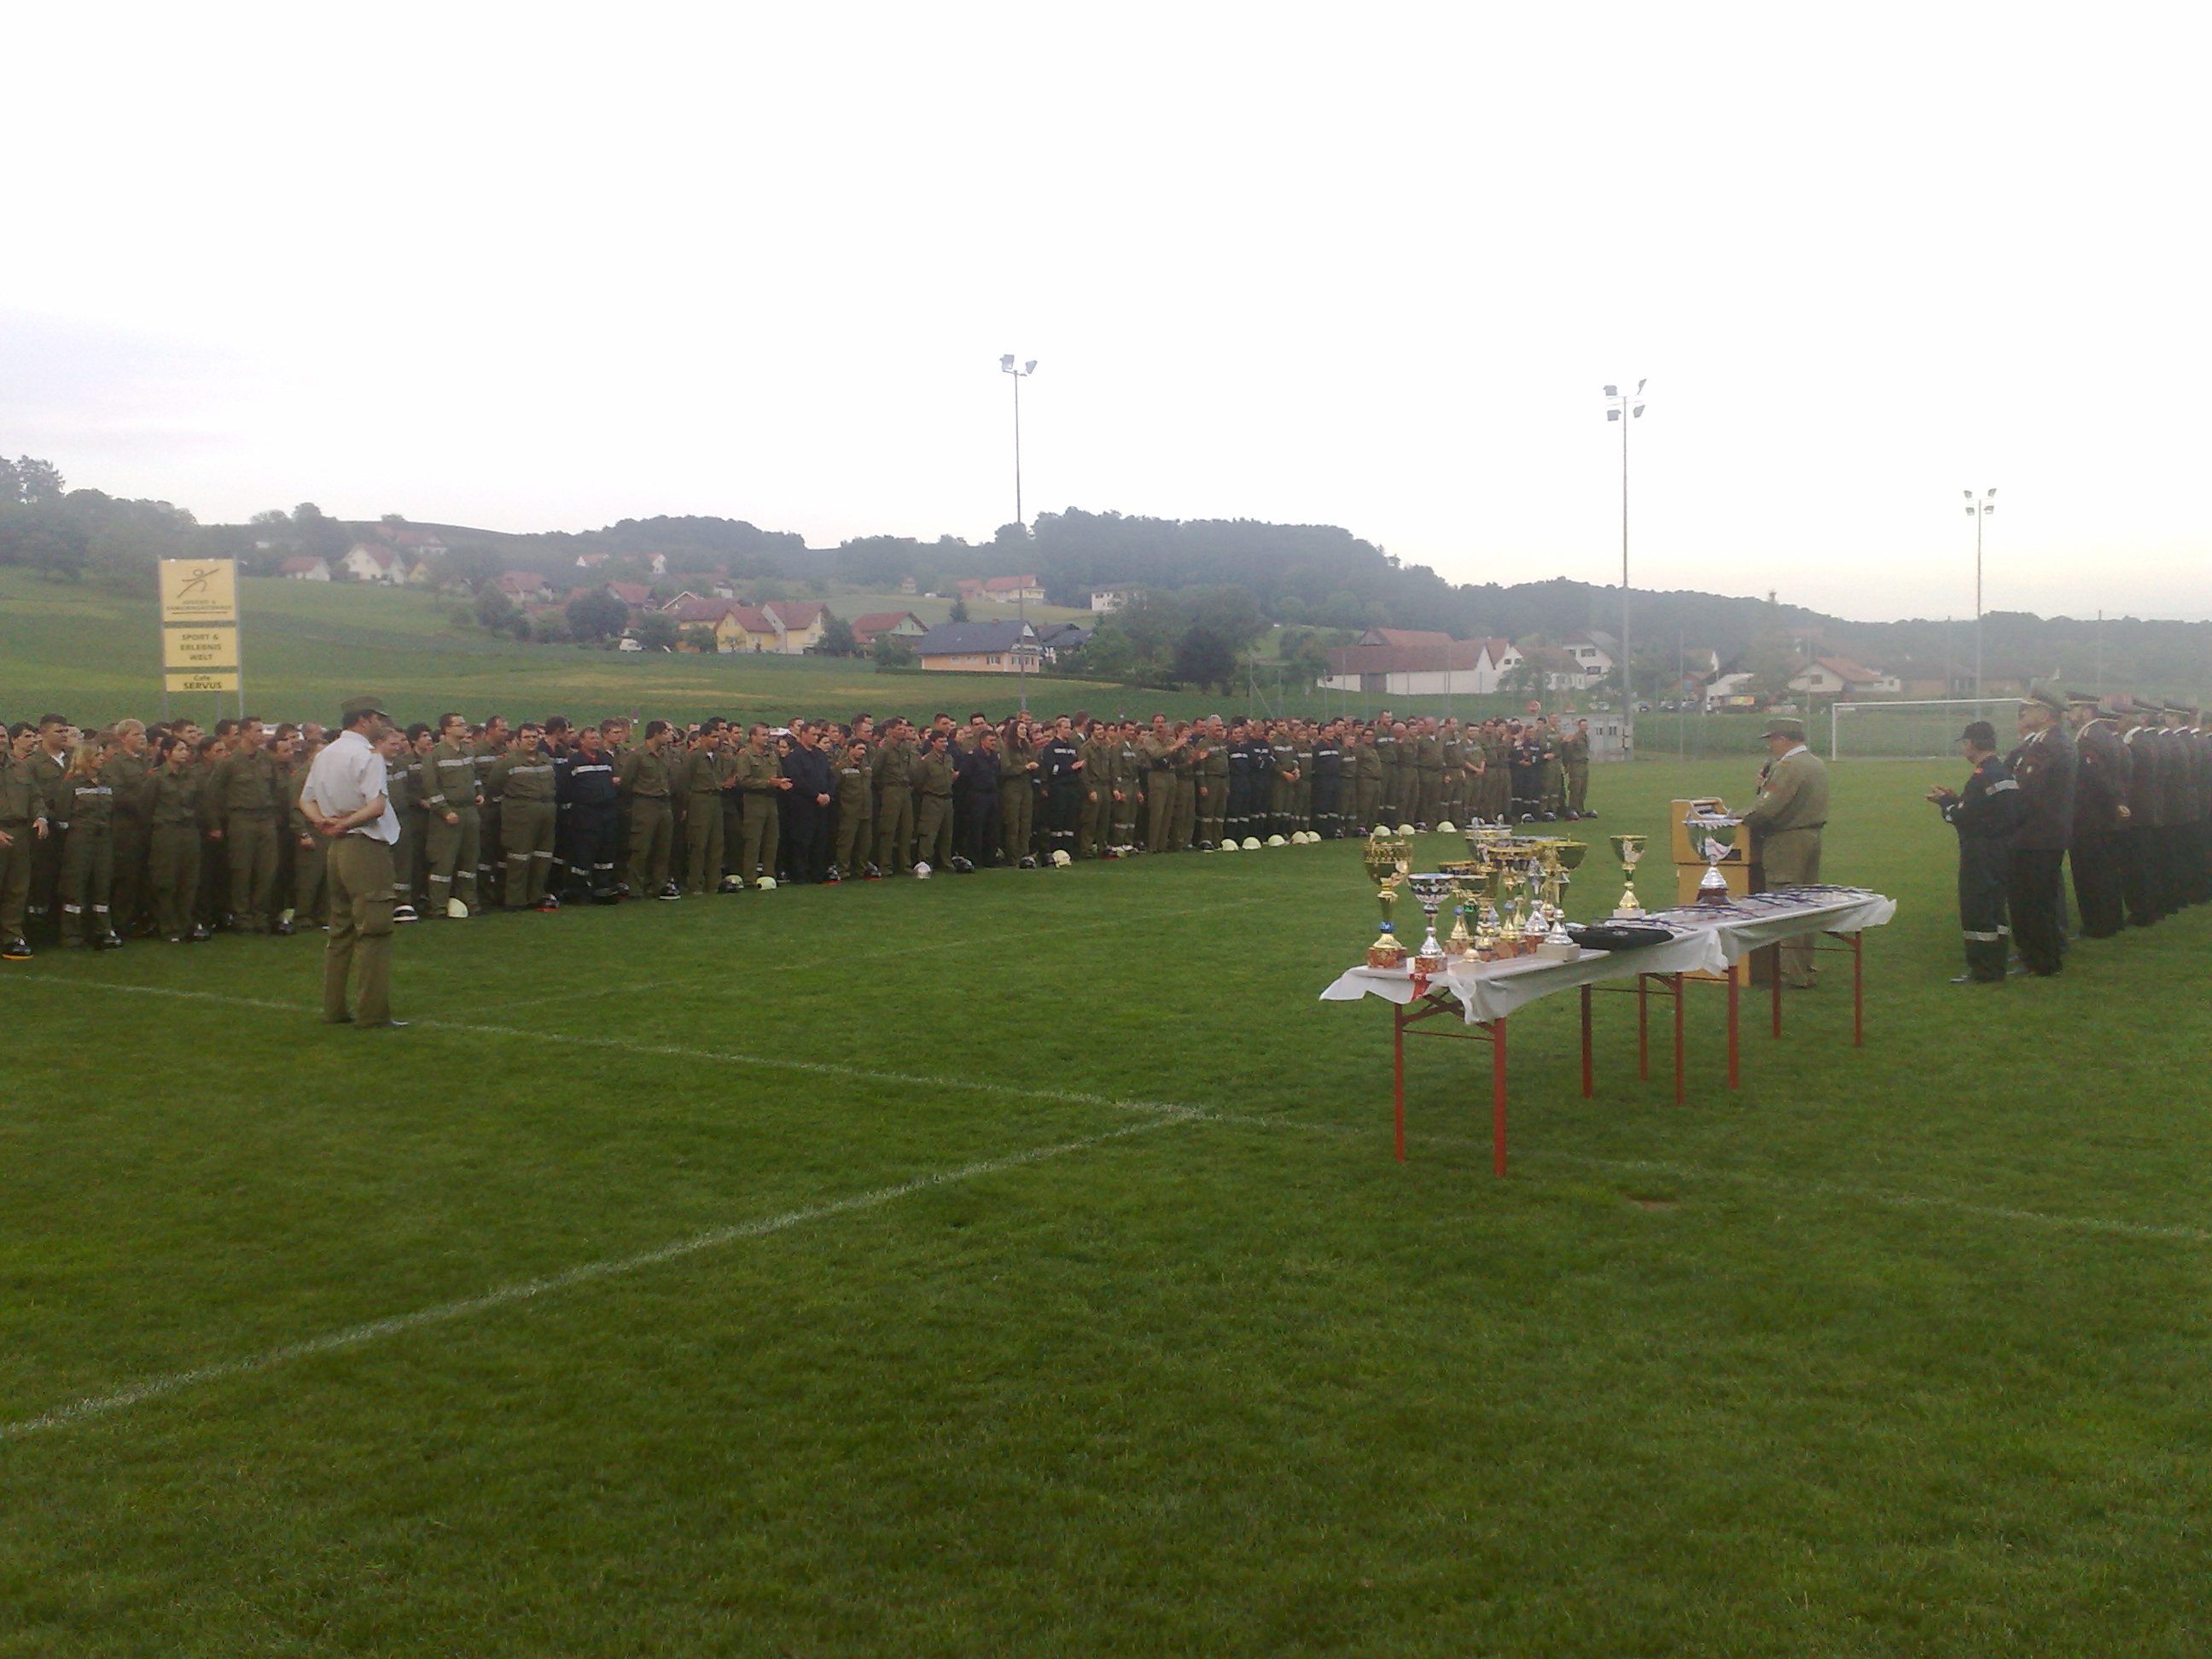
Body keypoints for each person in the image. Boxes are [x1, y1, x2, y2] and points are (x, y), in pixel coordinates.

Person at [300, 695, 405, 1028]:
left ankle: (334, 1009)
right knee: (374, 930)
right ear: (365, 720)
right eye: (379, 719)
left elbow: (305, 800)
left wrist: (323, 822)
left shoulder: (326, 754)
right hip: (365, 846)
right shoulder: (368, 756)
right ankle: (373, 1013)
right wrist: (344, 823)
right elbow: (376, 807)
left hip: (337, 848)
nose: (383, 725)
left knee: (341, 929)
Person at [1927, 720, 2023, 983]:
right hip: (2002, 848)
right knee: (1996, 908)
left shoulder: (1982, 776)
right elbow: (1992, 810)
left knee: (1977, 908)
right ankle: (1997, 963)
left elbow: (1964, 817)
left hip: (1980, 851)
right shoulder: (2003, 771)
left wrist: (1946, 803)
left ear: (1971, 744)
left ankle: (1983, 970)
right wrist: (1958, 800)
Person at [1739, 716, 1830, 989]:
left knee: (1785, 906)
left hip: (1786, 841)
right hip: (1810, 837)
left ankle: (1793, 975)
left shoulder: (1789, 766)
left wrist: (1736, 818)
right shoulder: (1815, 763)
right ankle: (1804, 966)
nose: (1770, 746)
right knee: (1805, 905)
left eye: (1772, 740)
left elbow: (1767, 809)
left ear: (1783, 738)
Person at [2005, 690, 2076, 976]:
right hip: (2037, 833)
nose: (2024, 713)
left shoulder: (2052, 746)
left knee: (2033, 900)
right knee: (2031, 898)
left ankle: (2041, 959)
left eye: (2030, 709)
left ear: (2045, 715)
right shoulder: (2043, 743)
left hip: (2039, 834)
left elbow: (2030, 793)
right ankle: (2034, 953)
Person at [2064, 691, 2129, 939]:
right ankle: (2112, 920)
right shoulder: (2104, 735)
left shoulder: (2089, 739)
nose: (2070, 715)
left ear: (2086, 710)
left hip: (2090, 818)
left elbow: (2096, 779)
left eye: (2073, 709)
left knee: (2090, 875)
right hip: (2104, 817)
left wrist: (2111, 801)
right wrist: (2118, 801)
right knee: (2106, 871)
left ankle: (2097, 924)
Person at [422, 712, 484, 917]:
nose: (464, 728)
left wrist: (480, 793)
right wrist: (445, 811)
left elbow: (475, 777)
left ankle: (470, 903)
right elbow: (431, 788)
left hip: (470, 812)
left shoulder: (468, 751)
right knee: (444, 862)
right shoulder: (435, 755)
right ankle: (438, 907)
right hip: (448, 815)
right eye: (459, 724)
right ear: (447, 729)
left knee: (470, 861)